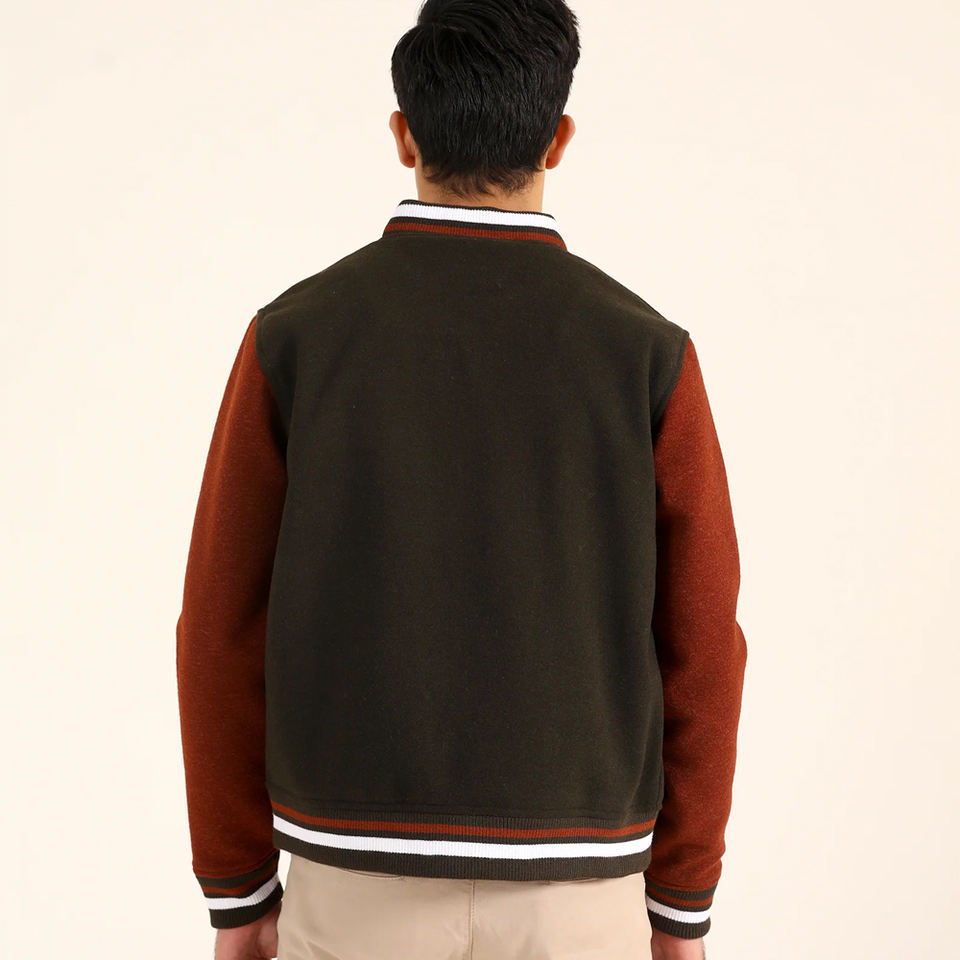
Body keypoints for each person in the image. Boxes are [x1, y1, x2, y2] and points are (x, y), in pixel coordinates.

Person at [175, 2, 748, 958]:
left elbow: (219, 626)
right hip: (581, 891)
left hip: (353, 880)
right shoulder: (647, 353)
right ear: (558, 139)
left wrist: (236, 887)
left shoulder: (296, 337)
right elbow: (703, 644)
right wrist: (682, 897)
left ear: (404, 135)